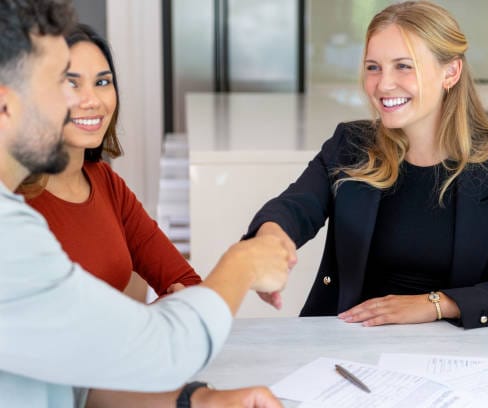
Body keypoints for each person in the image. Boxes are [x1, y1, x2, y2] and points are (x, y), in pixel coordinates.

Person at [0, 1, 292, 407]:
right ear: (7, 104)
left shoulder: (96, 186)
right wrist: (242, 264)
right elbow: (161, 350)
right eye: (59, 83)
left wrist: (198, 400)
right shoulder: (10, 238)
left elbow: (78, 378)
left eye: (101, 82)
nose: (82, 103)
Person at [245, 1, 488, 329]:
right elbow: (294, 208)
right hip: (352, 344)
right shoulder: (351, 145)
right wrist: (268, 244)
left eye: (404, 66)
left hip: (461, 356)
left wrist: (437, 304)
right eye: (373, 67)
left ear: (451, 72)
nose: (383, 84)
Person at [18, 23, 199, 298]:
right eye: (70, 83)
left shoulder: (105, 183)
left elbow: (187, 283)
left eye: (102, 82)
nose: (92, 100)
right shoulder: (13, 199)